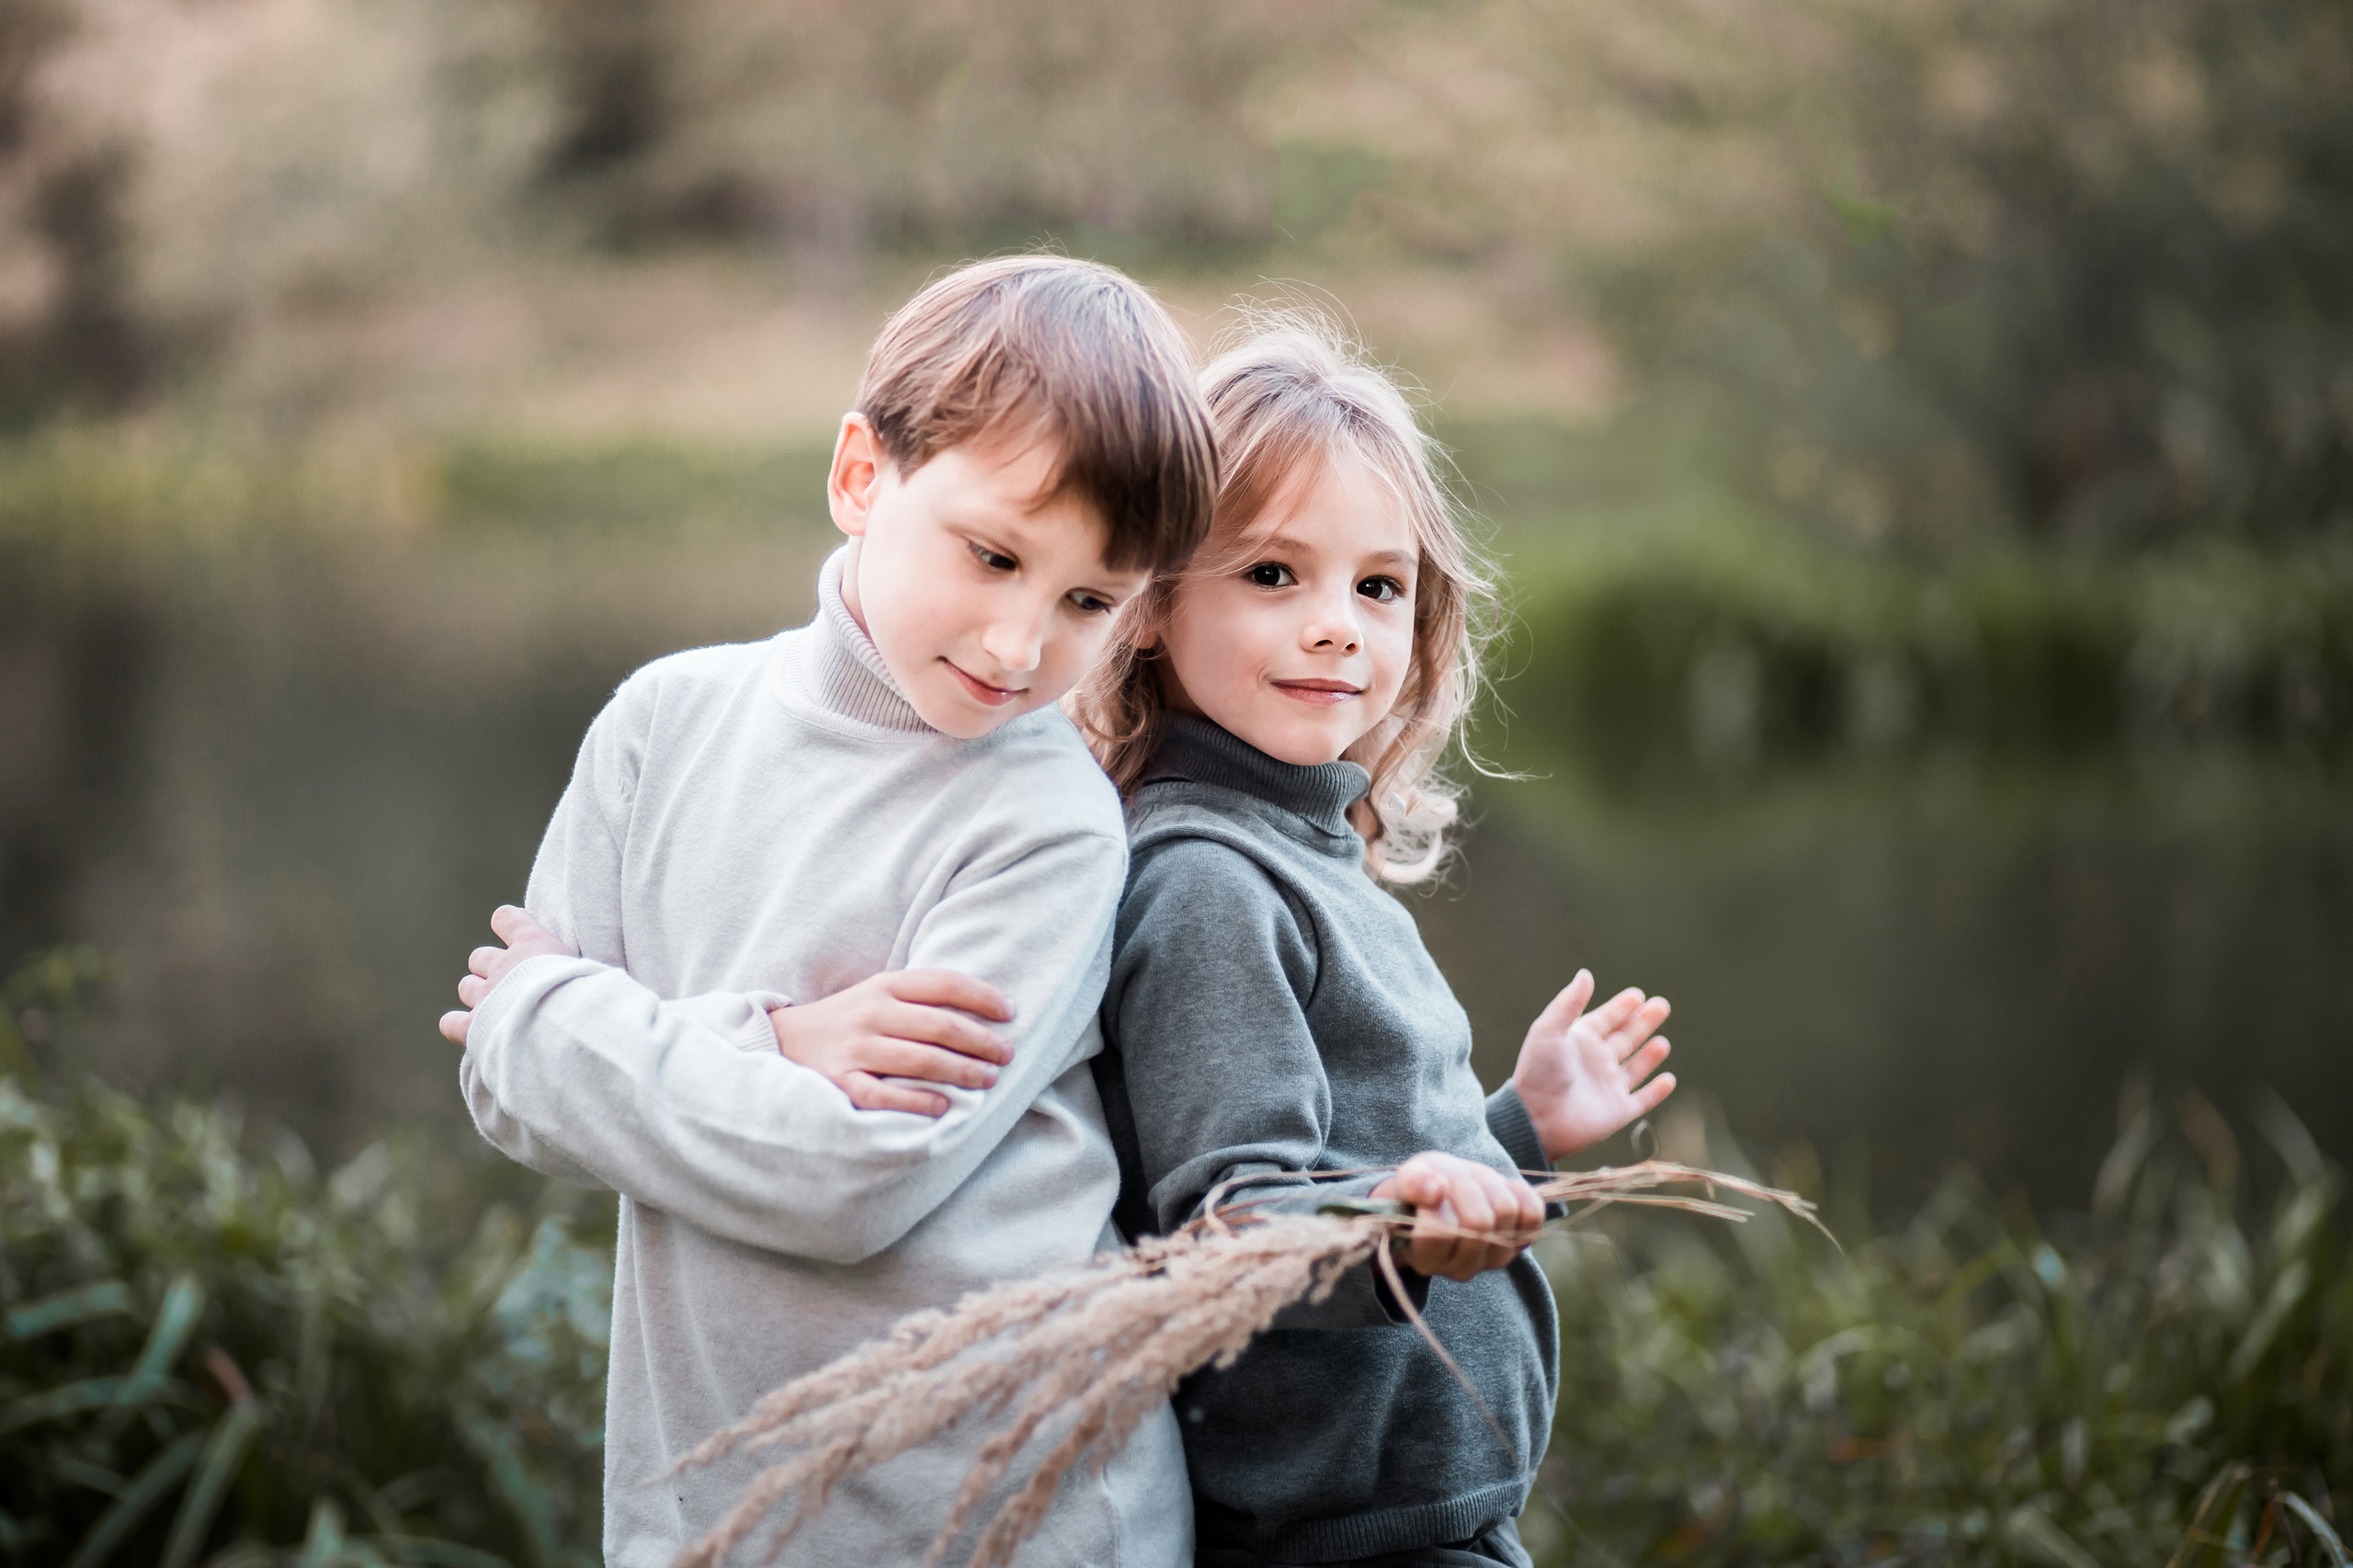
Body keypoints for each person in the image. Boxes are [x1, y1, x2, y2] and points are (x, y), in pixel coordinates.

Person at [437, 256, 1217, 1568]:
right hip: (722, 1504)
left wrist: (566, 1018)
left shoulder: (1047, 820)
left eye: (1087, 601)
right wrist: (777, 1044)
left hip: (1014, 1518)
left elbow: (853, 1176)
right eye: (993, 556)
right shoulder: (661, 726)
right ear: (862, 476)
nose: (1023, 646)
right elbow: (508, 1084)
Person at [1064, 316, 1679, 1568]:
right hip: (1337, 1538)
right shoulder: (1208, 884)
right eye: (1274, 575)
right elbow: (1238, 1228)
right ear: (1146, 605)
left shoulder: (1307, 853)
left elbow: (1373, 1160)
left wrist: (1514, 1132)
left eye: (1378, 585)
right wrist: (1399, 1228)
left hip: (1415, 1517)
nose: (1339, 625)